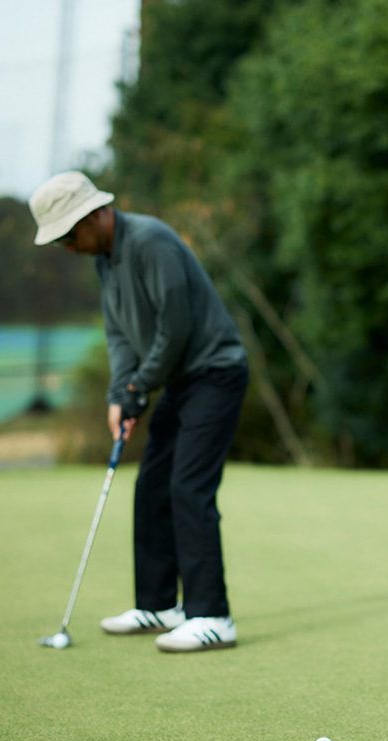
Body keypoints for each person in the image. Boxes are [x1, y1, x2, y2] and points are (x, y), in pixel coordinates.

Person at [29, 171, 248, 653]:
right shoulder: (104, 260)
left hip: (215, 373)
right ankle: (159, 605)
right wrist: (120, 394)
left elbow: (175, 327)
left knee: (188, 487)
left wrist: (139, 386)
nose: (67, 247)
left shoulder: (151, 241)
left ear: (95, 215)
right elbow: (120, 335)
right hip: (182, 380)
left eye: (69, 235)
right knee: (151, 486)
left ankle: (212, 616)